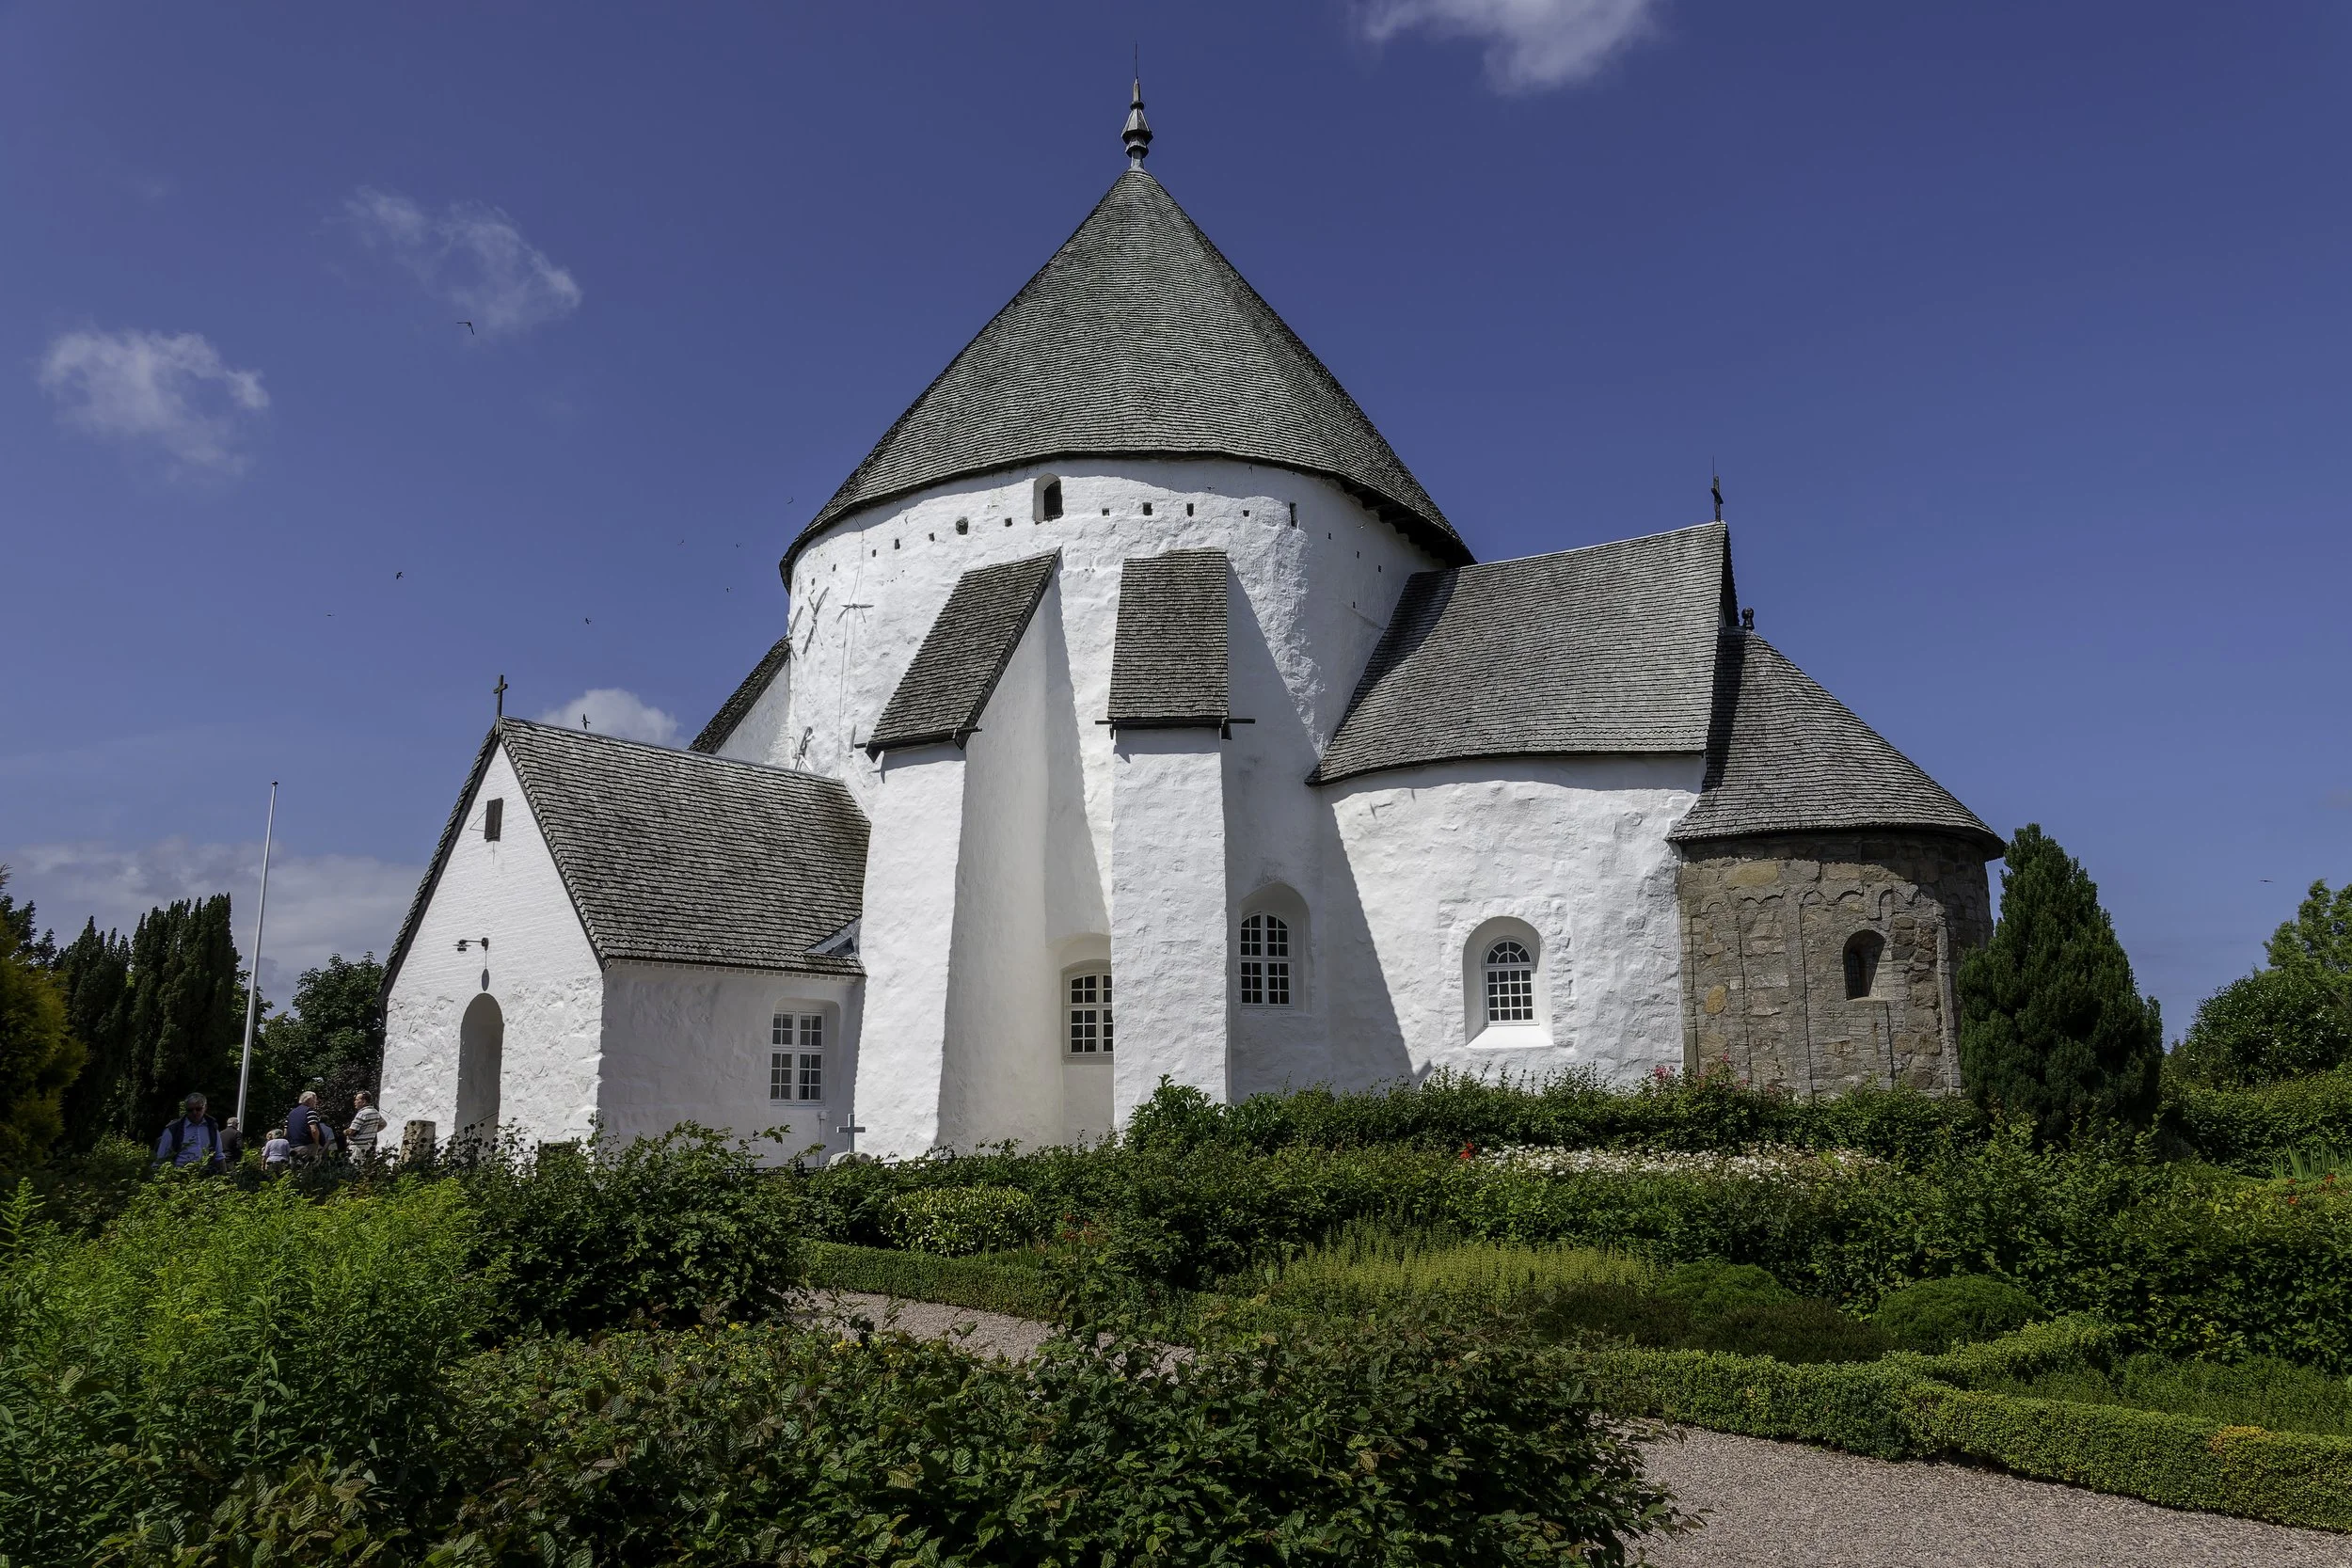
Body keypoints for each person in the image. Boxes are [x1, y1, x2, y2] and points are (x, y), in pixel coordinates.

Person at [154, 1093, 227, 1172]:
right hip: (178, 1175)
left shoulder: (212, 1127)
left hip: (205, 1175)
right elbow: (161, 1159)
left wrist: (225, 1176)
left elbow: (219, 1155)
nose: (194, 1112)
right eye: (190, 1110)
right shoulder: (173, 1129)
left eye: (198, 1109)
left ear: (205, 1108)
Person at [285, 1089, 329, 1163]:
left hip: (292, 1148)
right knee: (308, 1170)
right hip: (307, 1146)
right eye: (315, 1100)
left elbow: (285, 1133)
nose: (316, 1102)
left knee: (295, 1171)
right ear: (309, 1100)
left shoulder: (290, 1114)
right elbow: (314, 1130)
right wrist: (316, 1143)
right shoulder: (310, 1111)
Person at [345, 1091, 388, 1162]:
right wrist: (372, 1131)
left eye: (357, 1100)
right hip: (368, 1147)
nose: (355, 1102)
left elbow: (352, 1131)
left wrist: (345, 1132)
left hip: (357, 1148)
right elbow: (383, 1124)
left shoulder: (362, 1113)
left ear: (364, 1101)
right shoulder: (375, 1112)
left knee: (355, 1169)